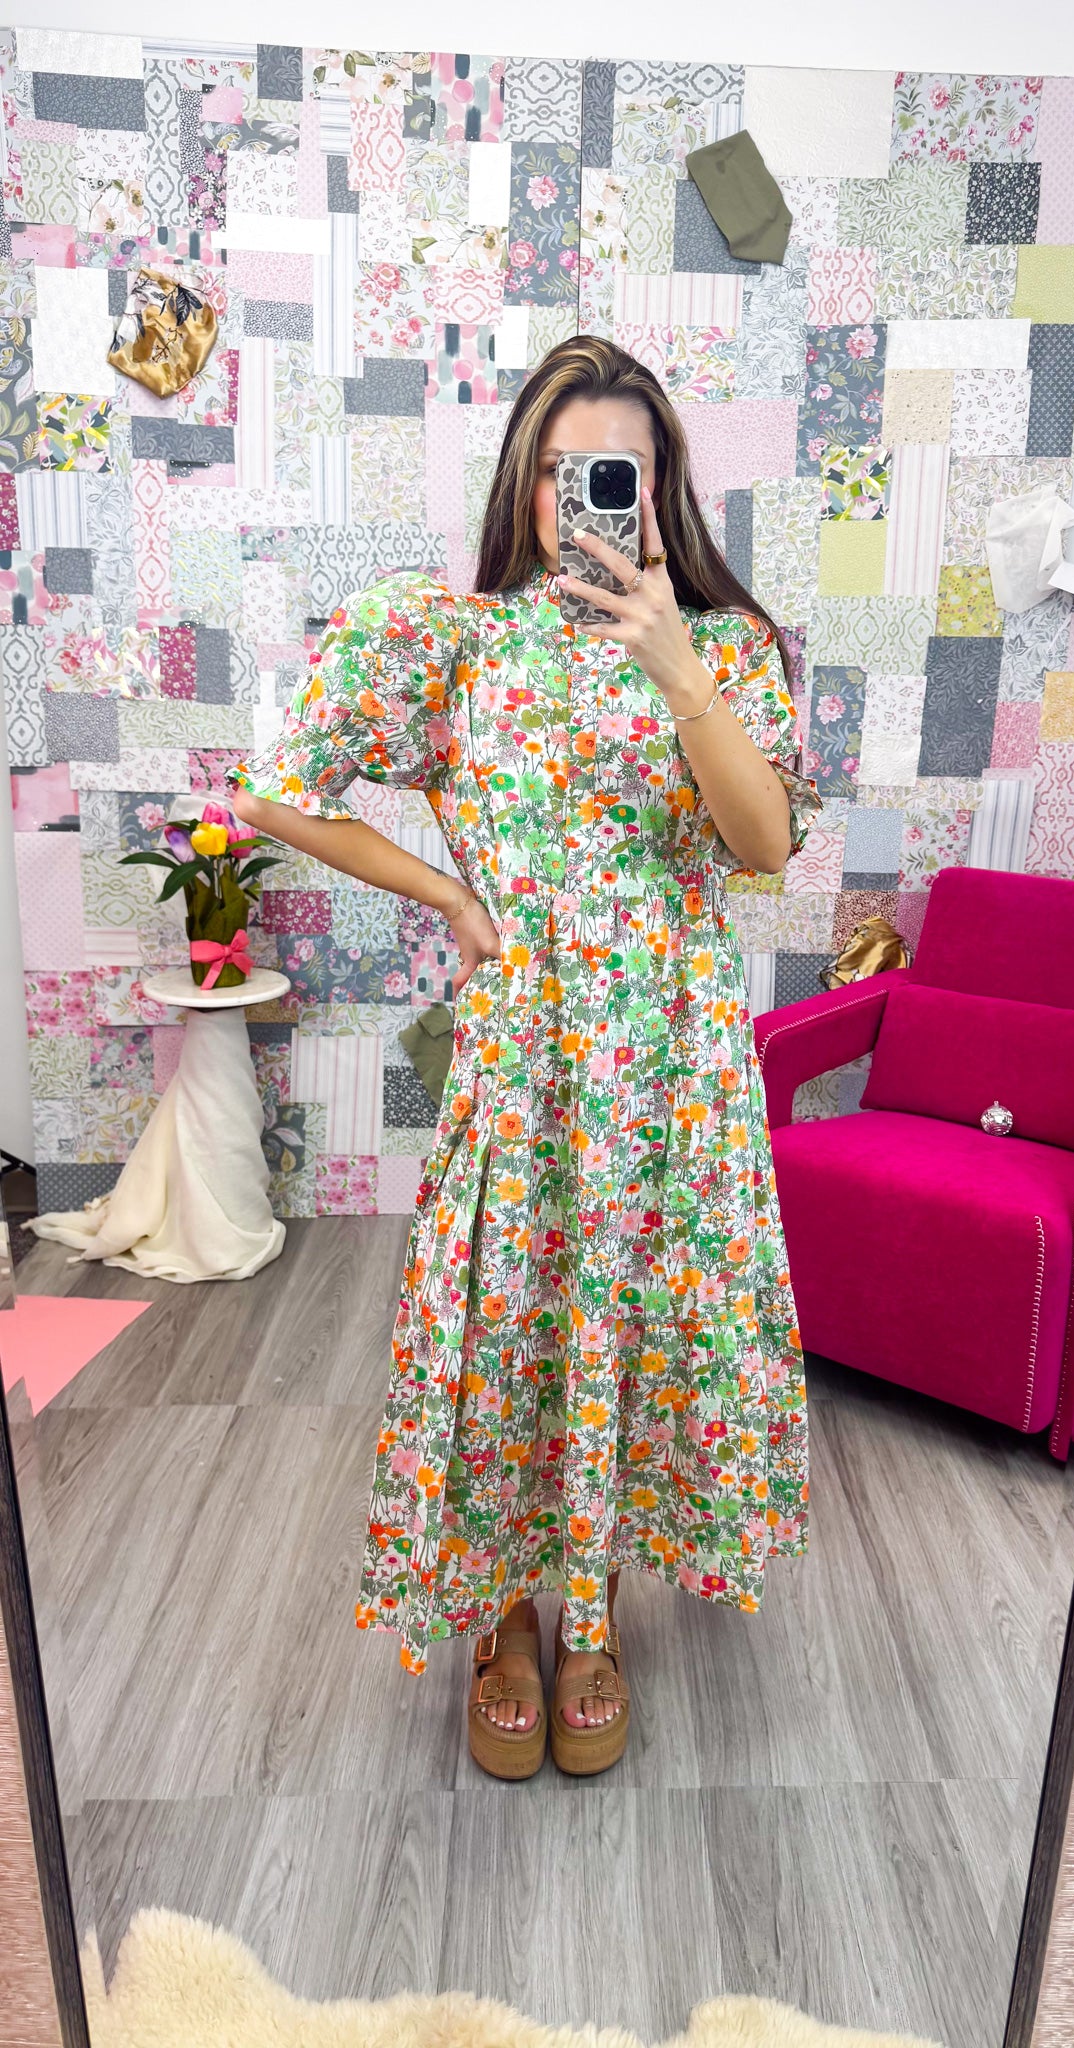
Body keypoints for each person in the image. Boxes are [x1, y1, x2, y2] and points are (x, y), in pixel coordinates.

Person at [229, 335, 821, 1782]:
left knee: (628, 1324)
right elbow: (279, 791)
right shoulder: (459, 647)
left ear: (660, 487)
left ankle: (594, 1612)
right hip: (526, 1052)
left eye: (612, 471)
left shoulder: (730, 649)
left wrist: (675, 662)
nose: (580, 500)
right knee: (508, 1326)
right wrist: (446, 894)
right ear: (522, 484)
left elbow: (762, 846)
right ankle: (504, 1622)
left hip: (674, 1067)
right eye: (556, 472)